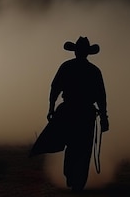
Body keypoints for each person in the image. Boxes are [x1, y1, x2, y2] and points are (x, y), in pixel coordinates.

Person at [30, 36, 109, 192]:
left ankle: (72, 178)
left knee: (72, 146)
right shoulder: (94, 71)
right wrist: (104, 118)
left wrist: (51, 108)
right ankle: (77, 181)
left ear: (76, 52)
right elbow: (101, 96)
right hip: (86, 114)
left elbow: (55, 89)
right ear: (87, 53)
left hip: (70, 111)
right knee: (82, 149)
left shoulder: (67, 67)